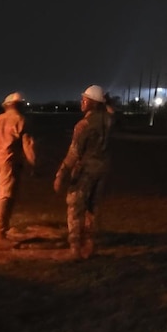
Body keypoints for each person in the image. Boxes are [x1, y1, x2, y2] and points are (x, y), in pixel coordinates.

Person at [53, 85, 112, 260]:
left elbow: (74, 153)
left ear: (93, 103)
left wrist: (61, 174)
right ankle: (90, 245)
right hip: (103, 169)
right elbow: (112, 112)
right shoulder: (108, 120)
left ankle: (75, 248)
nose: (82, 102)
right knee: (93, 207)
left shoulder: (83, 125)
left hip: (86, 170)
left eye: (85, 99)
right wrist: (106, 102)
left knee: (75, 206)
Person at [0, 92, 37, 247]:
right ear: (20, 105)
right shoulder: (21, 120)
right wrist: (33, 165)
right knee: (5, 197)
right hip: (8, 163)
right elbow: (28, 145)